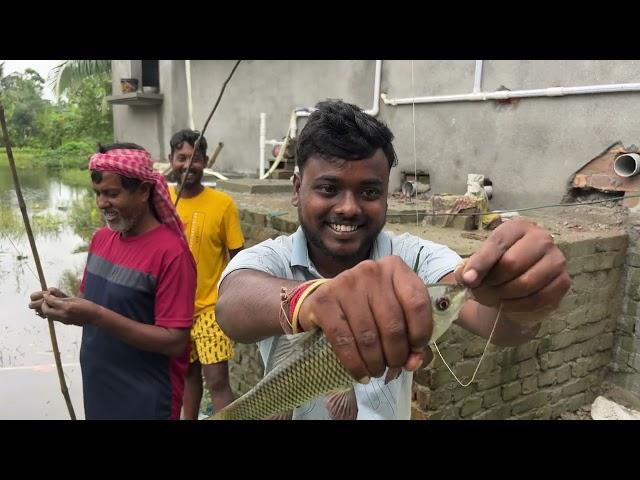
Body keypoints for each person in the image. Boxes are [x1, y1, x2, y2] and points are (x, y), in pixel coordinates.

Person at [215, 100, 571, 420]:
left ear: (387, 195)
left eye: (370, 192)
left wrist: (524, 304)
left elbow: (488, 317)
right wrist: (310, 301)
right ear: (296, 189)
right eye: (328, 188)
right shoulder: (271, 258)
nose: (348, 207)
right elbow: (232, 303)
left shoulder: (415, 256)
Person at [28, 143, 196, 420]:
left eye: (112, 194)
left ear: (143, 191)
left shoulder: (172, 254)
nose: (101, 203)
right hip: (99, 386)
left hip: (145, 397)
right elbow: (93, 303)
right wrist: (63, 302)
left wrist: (95, 316)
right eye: (97, 194)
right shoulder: (101, 239)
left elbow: (175, 342)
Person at [168, 129, 244, 419]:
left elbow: (238, 258)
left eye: (196, 158)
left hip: (211, 308)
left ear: (205, 162)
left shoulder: (222, 204)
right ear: (171, 160)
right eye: (182, 158)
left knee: (217, 380)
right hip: (175, 309)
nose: (188, 165)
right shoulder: (162, 200)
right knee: (187, 374)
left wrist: (231, 303)